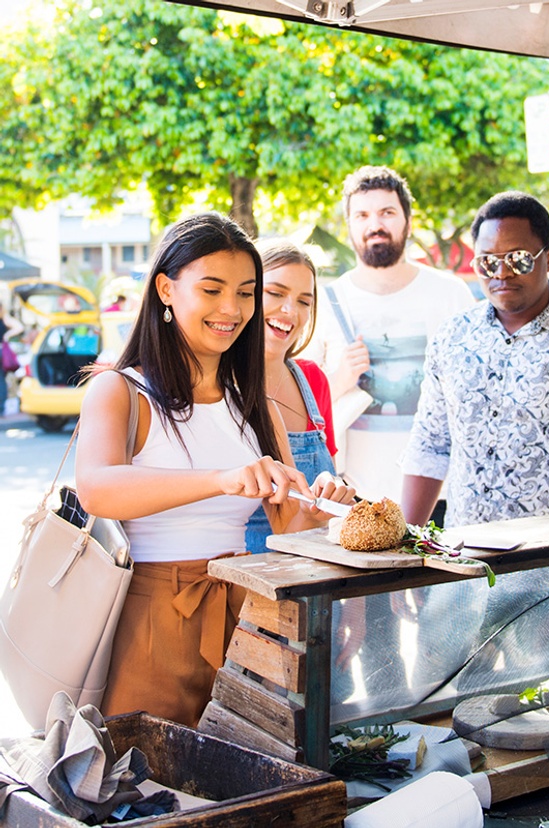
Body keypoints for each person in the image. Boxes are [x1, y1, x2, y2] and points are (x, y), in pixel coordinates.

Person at [74, 213, 353, 728]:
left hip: (248, 617)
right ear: (165, 288)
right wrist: (221, 479)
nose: (232, 309)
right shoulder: (120, 391)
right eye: (212, 289)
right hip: (155, 614)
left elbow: (288, 526)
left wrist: (325, 507)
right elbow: (96, 488)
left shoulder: (255, 405)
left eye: (246, 292)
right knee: (148, 785)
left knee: (243, 787)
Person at [399, 191, 549, 700]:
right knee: (433, 708)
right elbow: (429, 447)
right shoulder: (452, 338)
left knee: (538, 721)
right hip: (459, 566)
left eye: (518, 258)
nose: (501, 272)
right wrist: (407, 555)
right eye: (488, 260)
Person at [306, 165, 476, 504]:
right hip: (356, 495)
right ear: (349, 225)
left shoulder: (450, 294)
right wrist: (341, 377)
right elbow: (302, 405)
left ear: (408, 221)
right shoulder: (324, 301)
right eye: (362, 215)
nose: (375, 225)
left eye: (387, 212)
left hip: (443, 493)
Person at [245, 241, 340, 554]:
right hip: (243, 578)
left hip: (318, 574)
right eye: (275, 293)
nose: (290, 311)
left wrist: (333, 488)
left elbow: (330, 476)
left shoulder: (312, 379)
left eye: (304, 301)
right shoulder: (219, 386)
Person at [0, 302, 24, 416]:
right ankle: (1, 407)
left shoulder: (4, 319)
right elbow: (19, 327)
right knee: (1, 380)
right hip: (1, 350)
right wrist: (7, 335)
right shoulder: (4, 319)